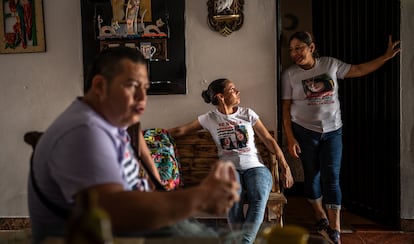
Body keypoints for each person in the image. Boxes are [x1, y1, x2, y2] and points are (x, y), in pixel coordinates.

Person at [28, 47, 240, 243]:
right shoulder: (83, 132)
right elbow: (114, 213)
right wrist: (200, 197)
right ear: (100, 85)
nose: (142, 98)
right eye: (132, 86)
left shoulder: (113, 119)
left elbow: (138, 146)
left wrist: (161, 192)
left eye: (145, 88)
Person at [281, 31, 401, 244]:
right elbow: (286, 108)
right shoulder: (289, 75)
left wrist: (385, 57)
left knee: (332, 176)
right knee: (312, 175)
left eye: (299, 48)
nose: (294, 53)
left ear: (311, 47)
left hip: (333, 131)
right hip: (305, 132)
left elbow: (358, 69)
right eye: (291, 49)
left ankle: (335, 228)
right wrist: (290, 138)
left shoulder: (329, 64)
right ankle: (320, 216)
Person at [168, 78, 294, 244]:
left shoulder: (247, 114)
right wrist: (147, 135)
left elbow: (269, 140)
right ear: (221, 97)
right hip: (229, 169)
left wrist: (285, 167)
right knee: (232, 198)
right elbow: (181, 130)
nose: (238, 92)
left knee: (259, 196)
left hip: (256, 167)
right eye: (233, 90)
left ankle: (244, 241)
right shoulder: (209, 118)